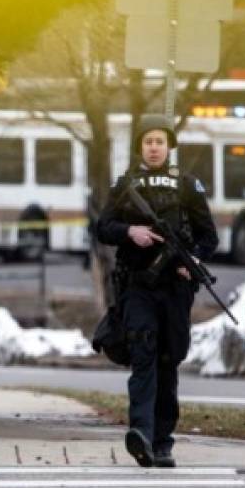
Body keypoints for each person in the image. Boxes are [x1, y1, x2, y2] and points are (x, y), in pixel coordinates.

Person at [97, 114, 218, 468]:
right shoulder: (126, 185)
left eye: (159, 142)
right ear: (140, 146)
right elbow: (103, 227)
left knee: (169, 358)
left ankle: (163, 441)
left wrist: (191, 260)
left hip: (176, 287)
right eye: (148, 141)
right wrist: (129, 232)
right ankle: (142, 435)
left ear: (169, 146)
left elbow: (209, 236)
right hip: (138, 284)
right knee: (143, 353)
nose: (154, 148)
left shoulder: (187, 185)